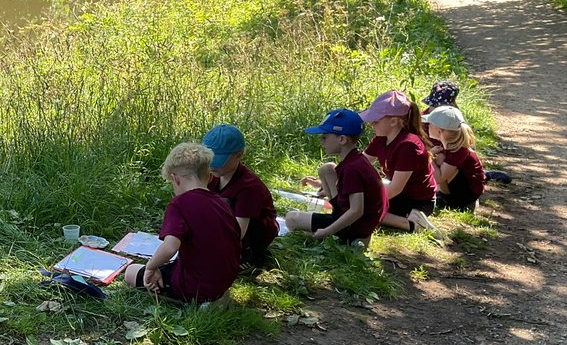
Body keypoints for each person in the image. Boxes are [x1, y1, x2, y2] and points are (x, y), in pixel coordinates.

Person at [124, 142, 240, 303]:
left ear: (175, 178)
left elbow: (171, 246)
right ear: (210, 176)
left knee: (131, 271)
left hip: (196, 285)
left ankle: (198, 301)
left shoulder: (179, 204)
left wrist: (151, 267)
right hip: (224, 279)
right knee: (173, 267)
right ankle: (215, 296)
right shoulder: (222, 203)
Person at [286, 109, 387, 245]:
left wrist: (327, 231)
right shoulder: (355, 159)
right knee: (327, 169)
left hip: (355, 226)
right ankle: (337, 222)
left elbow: (357, 210)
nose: (322, 142)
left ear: (342, 139)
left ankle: (349, 238)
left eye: (325, 137)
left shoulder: (352, 169)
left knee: (291, 218)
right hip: (357, 219)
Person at [358, 89, 437, 234]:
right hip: (399, 194)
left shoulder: (408, 145)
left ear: (394, 121)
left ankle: (412, 224)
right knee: (356, 204)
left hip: (417, 201)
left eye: (375, 121)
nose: (371, 124)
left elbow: (395, 189)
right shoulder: (381, 138)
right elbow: (359, 165)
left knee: (361, 209)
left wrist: (362, 201)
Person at [203, 124, 278, 268]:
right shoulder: (212, 177)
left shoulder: (249, 186)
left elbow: (239, 230)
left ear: (239, 155)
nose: (213, 166)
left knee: (225, 203)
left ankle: (247, 256)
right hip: (226, 225)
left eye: (219, 160)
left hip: (253, 231)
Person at [424, 105, 485, 211]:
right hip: (460, 185)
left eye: (429, 124)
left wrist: (428, 156)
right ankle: (444, 195)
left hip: (468, 193)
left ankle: (450, 200)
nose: (427, 126)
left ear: (439, 131)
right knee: (440, 159)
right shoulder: (451, 144)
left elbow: (439, 177)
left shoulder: (458, 150)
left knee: (440, 160)